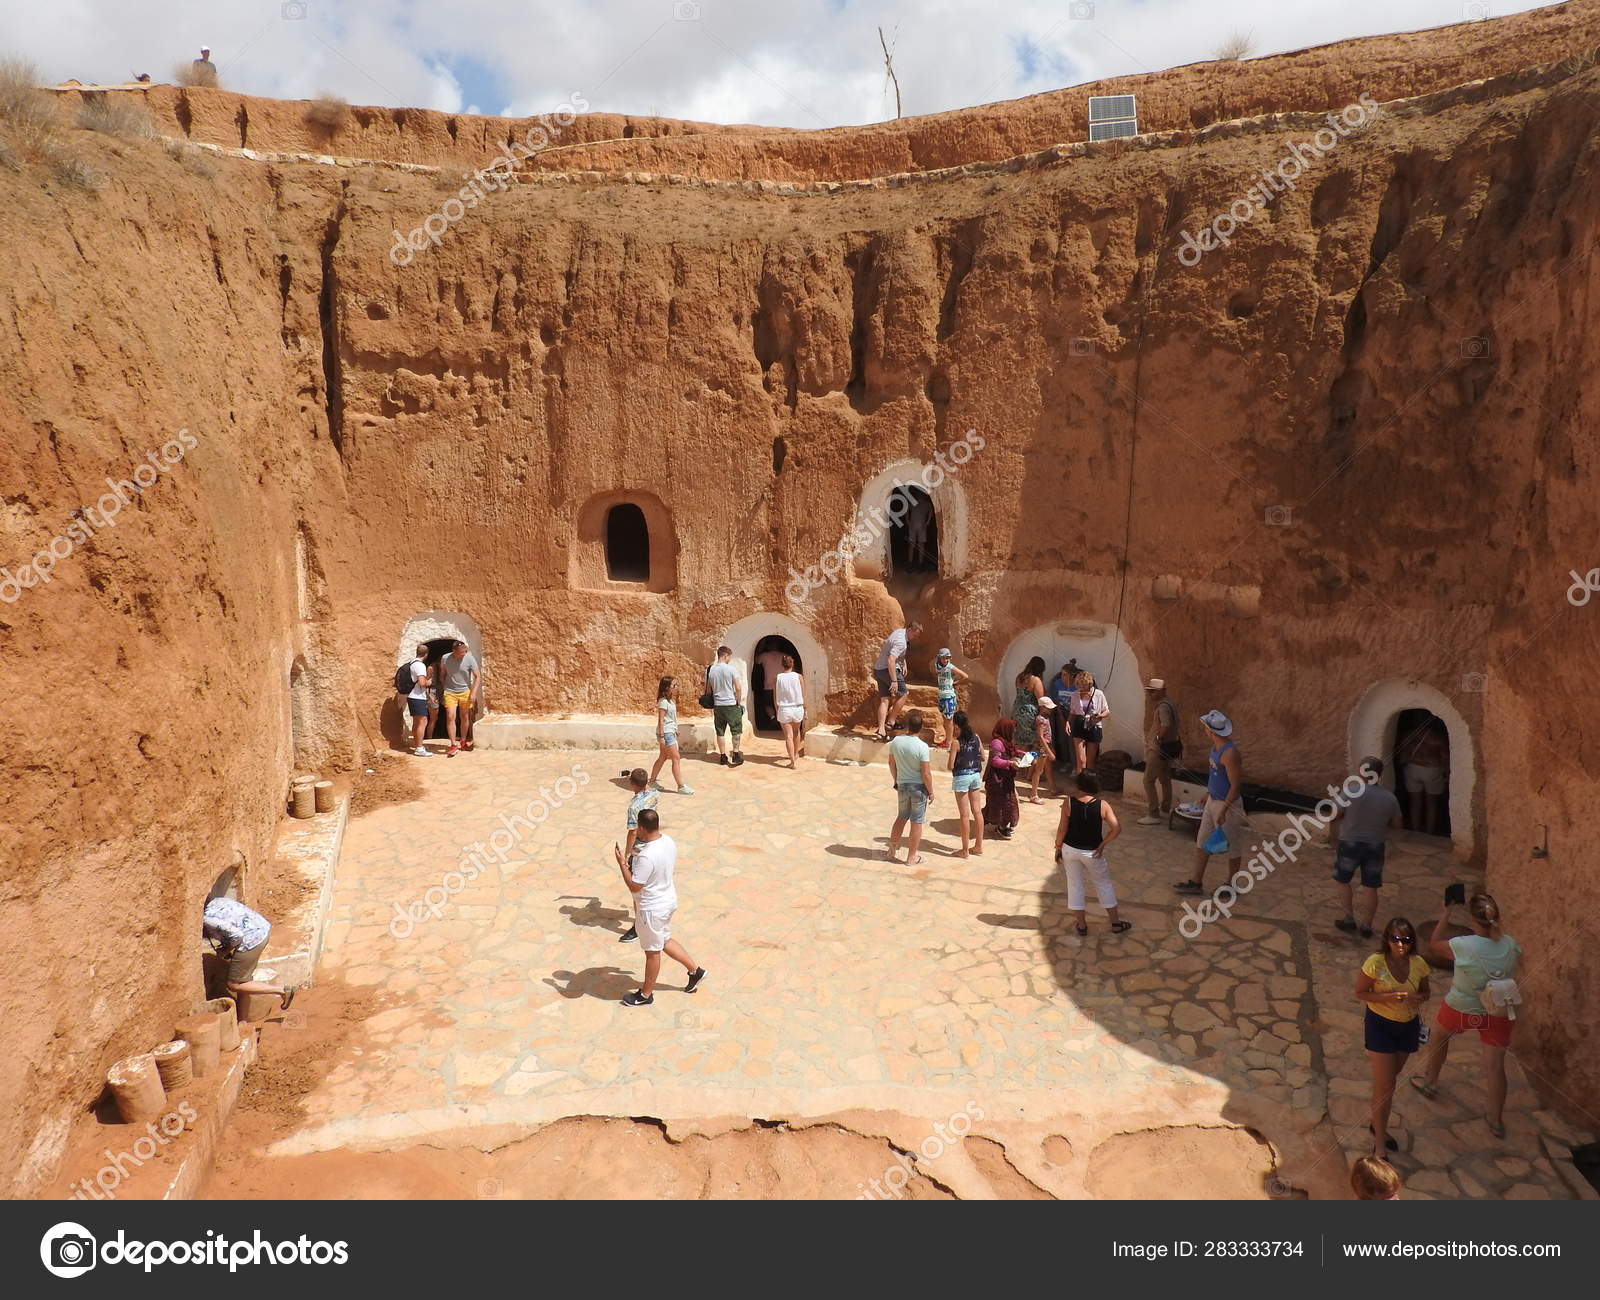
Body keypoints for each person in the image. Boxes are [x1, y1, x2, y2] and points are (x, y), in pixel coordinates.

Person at [1412, 892, 1521, 1138]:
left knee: (1439, 1036)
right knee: (1495, 1067)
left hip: (1463, 1005)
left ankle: (1430, 1082)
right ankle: (1495, 1120)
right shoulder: (1510, 945)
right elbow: (1512, 957)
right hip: (1498, 1008)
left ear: (1473, 919)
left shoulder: (1463, 945)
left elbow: (1434, 943)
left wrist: (1446, 913)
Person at [1355, 916, 1431, 1157]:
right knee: (1387, 1084)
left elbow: (1426, 991)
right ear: (1387, 939)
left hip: (1407, 1026)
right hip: (1380, 1025)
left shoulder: (1419, 964)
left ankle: (1376, 1123)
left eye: (1406, 940)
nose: (1400, 944)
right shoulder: (1375, 963)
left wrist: (1419, 997)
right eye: (1395, 939)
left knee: (1386, 1083)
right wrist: (1388, 998)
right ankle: (1379, 1144)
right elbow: (1360, 992)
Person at [614, 809, 706, 1007]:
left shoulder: (646, 856)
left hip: (651, 908)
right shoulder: (668, 841)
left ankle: (645, 995)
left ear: (640, 827)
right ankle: (695, 971)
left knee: (652, 952)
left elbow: (634, 886)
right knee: (664, 940)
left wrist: (622, 863)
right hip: (667, 900)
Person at [1330, 758, 1403, 937]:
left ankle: (1349, 918)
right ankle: (1367, 925)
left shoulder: (1350, 792)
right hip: (1375, 845)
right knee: (1371, 886)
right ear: (1379, 774)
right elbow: (1397, 824)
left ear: (1362, 771)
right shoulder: (1390, 798)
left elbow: (1334, 815)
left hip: (1350, 843)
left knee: (1343, 880)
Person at [1174, 710, 1243, 895]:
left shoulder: (1229, 753)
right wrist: (1209, 793)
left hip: (1227, 805)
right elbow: (1218, 777)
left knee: (1233, 845)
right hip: (1213, 800)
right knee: (1202, 840)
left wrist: (1223, 810)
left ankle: (1231, 883)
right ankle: (1196, 882)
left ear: (1211, 731)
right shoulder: (1215, 749)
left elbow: (1235, 785)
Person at [1054, 771, 1130, 935]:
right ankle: (1115, 924)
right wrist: (1103, 844)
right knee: (1103, 885)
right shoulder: (1103, 805)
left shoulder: (1068, 803)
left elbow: (1062, 829)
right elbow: (1116, 828)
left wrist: (1058, 847)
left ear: (1079, 785)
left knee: (1075, 886)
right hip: (1092, 852)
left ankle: (1081, 926)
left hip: (1070, 849)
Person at [202, 897, 296, 1009]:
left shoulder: (207, 919)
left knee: (234, 984)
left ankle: (281, 990)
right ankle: (243, 1022)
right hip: (262, 930)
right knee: (244, 982)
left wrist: (224, 951)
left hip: (251, 941)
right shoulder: (216, 901)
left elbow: (237, 936)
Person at [615, 769, 660, 944]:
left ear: (632, 784)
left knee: (637, 892)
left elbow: (632, 832)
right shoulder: (654, 794)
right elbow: (645, 785)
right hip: (654, 843)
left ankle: (638, 926)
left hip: (640, 851)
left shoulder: (633, 807)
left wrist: (626, 854)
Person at [886, 710, 936, 864]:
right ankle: (911, 856)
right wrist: (931, 791)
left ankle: (891, 850)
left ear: (907, 726)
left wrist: (896, 780)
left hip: (902, 785)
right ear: (921, 728)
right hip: (918, 788)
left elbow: (891, 763)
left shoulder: (896, 742)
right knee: (917, 821)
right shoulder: (922, 747)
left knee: (901, 817)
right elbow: (926, 773)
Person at [1137, 677, 1178, 824]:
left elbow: (1165, 725)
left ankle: (1153, 814)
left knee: (1148, 780)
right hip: (1168, 747)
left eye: (1153, 692)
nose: (1150, 695)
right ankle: (1165, 809)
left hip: (1159, 748)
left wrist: (1157, 738)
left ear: (1160, 692)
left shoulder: (1163, 707)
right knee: (1165, 779)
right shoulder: (1170, 704)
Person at [1399, 721, 1450, 834]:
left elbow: (1403, 754)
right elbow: (1445, 758)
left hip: (1412, 767)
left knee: (1415, 801)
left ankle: (1416, 830)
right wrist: (1447, 776)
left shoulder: (1409, 735)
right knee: (1431, 802)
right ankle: (1429, 832)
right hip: (1431, 769)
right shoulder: (1437, 737)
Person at [872, 622, 920, 740]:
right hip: (887, 670)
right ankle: (890, 723)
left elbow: (893, 652)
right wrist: (894, 681)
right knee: (904, 694)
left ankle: (881, 731)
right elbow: (891, 660)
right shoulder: (901, 642)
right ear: (909, 630)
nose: (916, 638)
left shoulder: (899, 632)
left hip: (878, 669)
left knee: (885, 699)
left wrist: (903, 662)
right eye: (915, 635)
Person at [947, 709, 985, 857]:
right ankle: (978, 846)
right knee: (977, 811)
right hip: (975, 775)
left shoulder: (956, 743)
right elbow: (982, 756)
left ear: (956, 725)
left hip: (962, 778)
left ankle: (964, 850)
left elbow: (950, 765)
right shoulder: (976, 737)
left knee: (964, 815)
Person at [648, 676, 693, 794]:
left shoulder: (670, 701)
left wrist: (675, 728)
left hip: (670, 731)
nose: (676, 687)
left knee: (662, 757)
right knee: (676, 758)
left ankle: (652, 781)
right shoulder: (663, 702)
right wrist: (662, 737)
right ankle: (681, 786)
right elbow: (661, 720)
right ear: (667, 688)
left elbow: (671, 718)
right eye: (674, 685)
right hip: (666, 733)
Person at [438, 639, 480, 757]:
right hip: (450, 691)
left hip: (465, 692)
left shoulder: (469, 658)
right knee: (450, 715)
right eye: (461, 652)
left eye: (465, 651)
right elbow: (443, 672)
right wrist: (442, 683)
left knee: (464, 716)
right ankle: (453, 744)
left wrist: (474, 693)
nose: (463, 654)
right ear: (454, 651)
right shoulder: (445, 658)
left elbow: (478, 676)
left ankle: (463, 740)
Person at [982, 716, 1020, 839]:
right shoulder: (997, 743)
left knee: (1008, 803)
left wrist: (1026, 755)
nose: (1014, 731)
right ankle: (1000, 826)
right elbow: (995, 760)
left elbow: (1014, 751)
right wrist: (1009, 763)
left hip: (1006, 779)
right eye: (1012, 729)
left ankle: (1001, 824)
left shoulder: (1007, 741)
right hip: (997, 780)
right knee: (999, 804)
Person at [706, 645, 744, 767]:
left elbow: (708, 689)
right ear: (725, 655)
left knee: (720, 731)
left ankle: (722, 756)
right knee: (736, 730)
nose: (729, 660)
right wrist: (738, 702)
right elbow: (738, 688)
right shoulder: (731, 669)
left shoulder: (711, 670)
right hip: (731, 704)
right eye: (729, 657)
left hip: (718, 705)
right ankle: (736, 755)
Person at [1067, 670, 1110, 778]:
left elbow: (1107, 711)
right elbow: (1072, 712)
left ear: (1089, 684)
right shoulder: (1075, 694)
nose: (1080, 687)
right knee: (1081, 760)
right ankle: (1080, 783)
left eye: (1083, 685)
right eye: (1078, 684)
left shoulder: (1098, 694)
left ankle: (1088, 785)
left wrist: (1100, 716)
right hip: (1079, 724)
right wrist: (1067, 722)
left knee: (1090, 761)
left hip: (1094, 725)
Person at [400, 643, 433, 757]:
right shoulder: (420, 666)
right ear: (426, 654)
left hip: (412, 696)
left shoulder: (412, 663)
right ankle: (419, 748)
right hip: (418, 697)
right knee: (422, 722)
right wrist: (429, 682)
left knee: (416, 722)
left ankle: (418, 744)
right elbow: (422, 683)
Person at [933, 647, 969, 749]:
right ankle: (947, 739)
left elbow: (965, 676)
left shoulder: (950, 667)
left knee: (949, 721)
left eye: (947, 658)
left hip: (948, 696)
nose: (945, 660)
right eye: (943, 658)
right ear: (939, 658)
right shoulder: (938, 666)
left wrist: (955, 682)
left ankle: (949, 742)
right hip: (941, 695)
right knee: (945, 719)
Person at [774, 654, 806, 769]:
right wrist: (805, 708)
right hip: (797, 708)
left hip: (784, 708)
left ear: (783, 665)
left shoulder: (778, 677)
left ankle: (792, 761)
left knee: (788, 736)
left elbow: (775, 696)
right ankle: (796, 753)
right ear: (792, 664)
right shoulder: (799, 677)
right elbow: (803, 694)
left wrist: (777, 709)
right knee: (796, 732)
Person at [1028, 696, 1058, 803]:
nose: (1050, 709)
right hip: (1041, 747)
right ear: (1042, 707)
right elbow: (1040, 736)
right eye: (1048, 707)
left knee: (1039, 770)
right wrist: (1048, 751)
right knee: (1038, 771)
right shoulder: (1041, 720)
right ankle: (1033, 795)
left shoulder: (1044, 718)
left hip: (1042, 746)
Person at [755, 643, 786, 730]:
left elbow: (756, 660)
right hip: (781, 686)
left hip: (768, 685)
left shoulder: (764, 655)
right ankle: (782, 721)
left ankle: (773, 717)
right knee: (782, 704)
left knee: (768, 704)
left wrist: (760, 649)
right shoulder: (784, 656)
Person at [904, 489, 935, 571]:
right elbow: (907, 511)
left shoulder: (926, 503)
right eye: (919, 493)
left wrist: (927, 522)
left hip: (921, 527)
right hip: (913, 527)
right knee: (912, 545)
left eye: (921, 494)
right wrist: (908, 521)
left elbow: (931, 510)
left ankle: (920, 565)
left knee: (920, 546)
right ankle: (910, 564)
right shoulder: (913, 502)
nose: (920, 495)